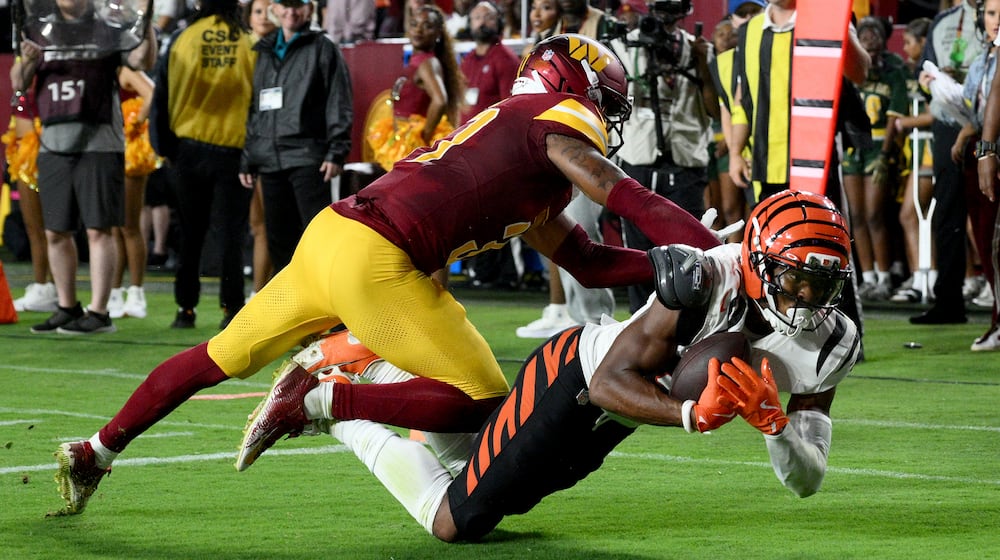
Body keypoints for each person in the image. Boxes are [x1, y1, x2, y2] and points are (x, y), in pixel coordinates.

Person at [50, 34, 721, 516]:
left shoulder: (527, 158)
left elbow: (591, 262)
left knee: (216, 357)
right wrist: (709, 252)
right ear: (572, 92)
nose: (607, 118)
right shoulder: (551, 124)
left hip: (336, 236)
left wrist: (664, 260)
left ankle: (96, 451)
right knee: (484, 396)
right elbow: (619, 189)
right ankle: (325, 398)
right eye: (604, 102)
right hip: (380, 257)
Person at [285, 190, 861, 542]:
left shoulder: (834, 340)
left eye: (824, 284)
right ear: (759, 263)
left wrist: (777, 430)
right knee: (456, 520)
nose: (809, 300)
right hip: (577, 378)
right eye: (797, 281)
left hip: (614, 420)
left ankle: (381, 371)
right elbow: (612, 380)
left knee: (474, 469)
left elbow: (806, 482)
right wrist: (691, 414)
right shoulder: (706, 278)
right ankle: (327, 405)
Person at [15, 0, 156, 335]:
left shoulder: (107, 26)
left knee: (99, 228)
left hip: (99, 141)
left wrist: (145, 21)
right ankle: (67, 306)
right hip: (54, 141)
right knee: (55, 231)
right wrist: (29, 61)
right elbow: (19, 82)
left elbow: (140, 60)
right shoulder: (41, 26)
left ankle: (99, 311)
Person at [149, 0, 258, 330]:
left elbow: (161, 96)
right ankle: (231, 311)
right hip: (234, 151)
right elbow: (257, 103)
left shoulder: (183, 38)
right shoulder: (248, 41)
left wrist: (165, 147)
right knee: (231, 236)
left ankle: (186, 309)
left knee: (190, 233)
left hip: (188, 151)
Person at [515, 0, 617, 338]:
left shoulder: (607, 27)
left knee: (582, 230)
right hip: (551, 136)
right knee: (556, 226)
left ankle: (598, 321)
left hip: (588, 136)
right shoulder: (548, 33)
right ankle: (568, 312)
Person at [609, 2, 720, 313]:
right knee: (640, 259)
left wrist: (700, 64)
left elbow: (713, 109)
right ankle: (639, 327)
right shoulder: (624, 46)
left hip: (685, 164)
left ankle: (693, 328)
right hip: (638, 162)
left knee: (691, 257)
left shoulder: (699, 49)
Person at [239, 0, 353, 274]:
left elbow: (339, 101)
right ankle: (293, 312)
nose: (291, 11)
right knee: (279, 242)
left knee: (319, 240)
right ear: (275, 10)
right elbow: (255, 109)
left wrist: (337, 150)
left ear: (310, 10)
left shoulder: (324, 49)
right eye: (285, 5)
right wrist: (249, 156)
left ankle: (332, 315)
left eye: (298, 5)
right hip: (270, 161)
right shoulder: (263, 51)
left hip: (308, 159)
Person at [910, 0, 985, 325]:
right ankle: (949, 301)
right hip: (946, 124)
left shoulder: (992, 14)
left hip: (987, 121)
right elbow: (923, 68)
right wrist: (931, 80)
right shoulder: (943, 22)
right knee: (948, 214)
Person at [843, 17, 909, 303]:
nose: (869, 37)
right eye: (863, 32)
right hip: (851, 147)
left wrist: (886, 156)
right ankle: (866, 276)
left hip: (878, 147)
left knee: (874, 214)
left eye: (874, 31)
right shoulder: (845, 63)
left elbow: (896, 116)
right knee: (855, 215)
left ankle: (884, 276)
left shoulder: (893, 69)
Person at [366, 5, 462, 172]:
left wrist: (423, 136)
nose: (419, 30)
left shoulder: (428, 63)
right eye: (414, 24)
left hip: (411, 141)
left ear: (438, 33)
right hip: (400, 137)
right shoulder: (417, 60)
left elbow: (440, 101)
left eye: (427, 26)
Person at [107, 67, 158, 320]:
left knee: (129, 226)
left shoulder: (125, 70)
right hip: (108, 148)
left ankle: (136, 293)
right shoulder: (105, 70)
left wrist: (134, 124)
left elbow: (152, 93)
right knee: (112, 227)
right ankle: (114, 293)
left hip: (128, 152)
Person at [2, 86, 58, 313]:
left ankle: (57, 290)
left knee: (55, 229)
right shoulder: (23, 71)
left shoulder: (49, 69)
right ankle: (43, 288)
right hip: (25, 152)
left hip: (47, 147)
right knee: (34, 228)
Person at [244, 0, 278, 297]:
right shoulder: (243, 52)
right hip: (241, 146)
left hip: (272, 149)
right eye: (258, 11)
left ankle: (261, 294)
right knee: (257, 226)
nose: (264, 17)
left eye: (269, 10)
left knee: (269, 226)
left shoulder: (280, 53)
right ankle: (256, 294)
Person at [459, 2, 519, 124]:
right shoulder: (468, 59)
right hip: (464, 135)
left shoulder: (506, 60)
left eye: (489, 17)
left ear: (499, 23)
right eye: (477, 17)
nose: (482, 22)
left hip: (488, 137)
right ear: (469, 24)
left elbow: (511, 110)